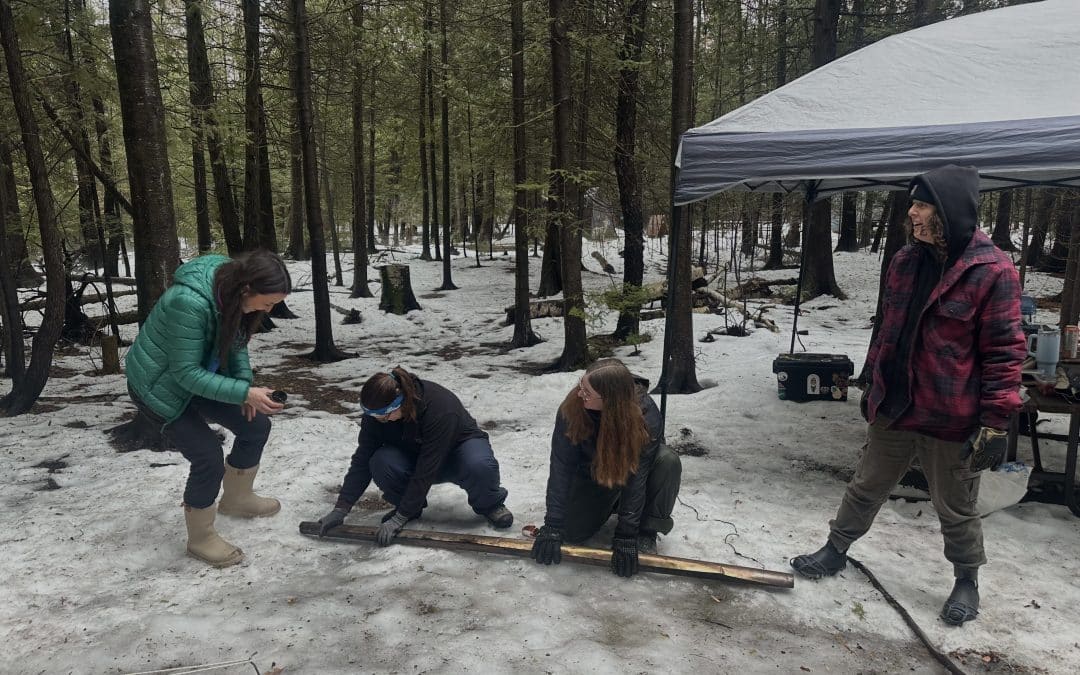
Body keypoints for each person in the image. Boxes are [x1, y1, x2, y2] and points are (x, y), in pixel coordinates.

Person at [790, 165, 1026, 626]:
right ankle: (836, 548)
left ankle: (966, 579)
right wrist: (871, 381)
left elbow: (1004, 352)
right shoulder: (904, 261)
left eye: (921, 204)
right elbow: (887, 329)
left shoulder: (992, 270)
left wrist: (995, 421)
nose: (912, 213)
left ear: (948, 211)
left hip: (950, 414)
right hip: (895, 406)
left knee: (956, 506)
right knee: (866, 485)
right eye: (913, 204)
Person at [125, 250, 291, 568]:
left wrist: (244, 387)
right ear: (247, 289)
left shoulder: (230, 291)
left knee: (255, 426)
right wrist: (243, 391)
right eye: (268, 303)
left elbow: (236, 342)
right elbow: (184, 374)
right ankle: (200, 538)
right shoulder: (188, 302)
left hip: (199, 375)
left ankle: (237, 498)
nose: (269, 310)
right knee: (208, 457)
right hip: (160, 387)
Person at [317, 367, 513, 544]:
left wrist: (400, 517)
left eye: (384, 416)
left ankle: (490, 504)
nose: (380, 421)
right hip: (415, 454)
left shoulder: (440, 407)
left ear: (400, 403)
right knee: (380, 461)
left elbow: (428, 467)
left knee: (479, 465)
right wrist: (341, 507)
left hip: (458, 452)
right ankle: (410, 507)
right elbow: (362, 459)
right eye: (374, 417)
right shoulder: (377, 418)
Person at [530, 358, 683, 578]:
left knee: (667, 460)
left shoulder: (646, 415)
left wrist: (626, 535)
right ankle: (611, 502)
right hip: (593, 475)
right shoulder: (572, 408)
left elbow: (637, 476)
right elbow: (561, 468)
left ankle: (647, 528)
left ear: (611, 400)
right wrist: (553, 524)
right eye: (580, 385)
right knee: (572, 532)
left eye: (588, 392)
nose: (580, 393)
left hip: (628, 473)